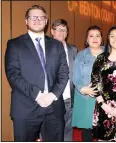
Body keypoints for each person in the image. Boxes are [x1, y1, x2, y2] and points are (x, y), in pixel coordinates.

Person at [5, 5, 69, 141]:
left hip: (54, 107)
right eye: (33, 17)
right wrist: (37, 95)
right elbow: (13, 75)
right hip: (25, 107)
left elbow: (63, 73)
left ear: (46, 21)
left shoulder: (57, 45)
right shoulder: (14, 44)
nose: (37, 20)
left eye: (41, 17)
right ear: (26, 21)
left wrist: (52, 95)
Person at [72, 25, 104, 141]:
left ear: (101, 39)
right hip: (86, 98)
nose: (94, 38)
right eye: (91, 36)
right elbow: (76, 77)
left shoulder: (109, 53)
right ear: (87, 39)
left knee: (105, 129)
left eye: (97, 35)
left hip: (106, 98)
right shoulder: (81, 54)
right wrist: (84, 89)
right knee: (87, 131)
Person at [51, 19, 77, 141]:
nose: (62, 33)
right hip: (52, 99)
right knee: (50, 131)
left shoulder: (73, 50)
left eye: (64, 30)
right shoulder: (45, 49)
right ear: (52, 31)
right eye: (59, 29)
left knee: (68, 130)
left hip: (69, 98)